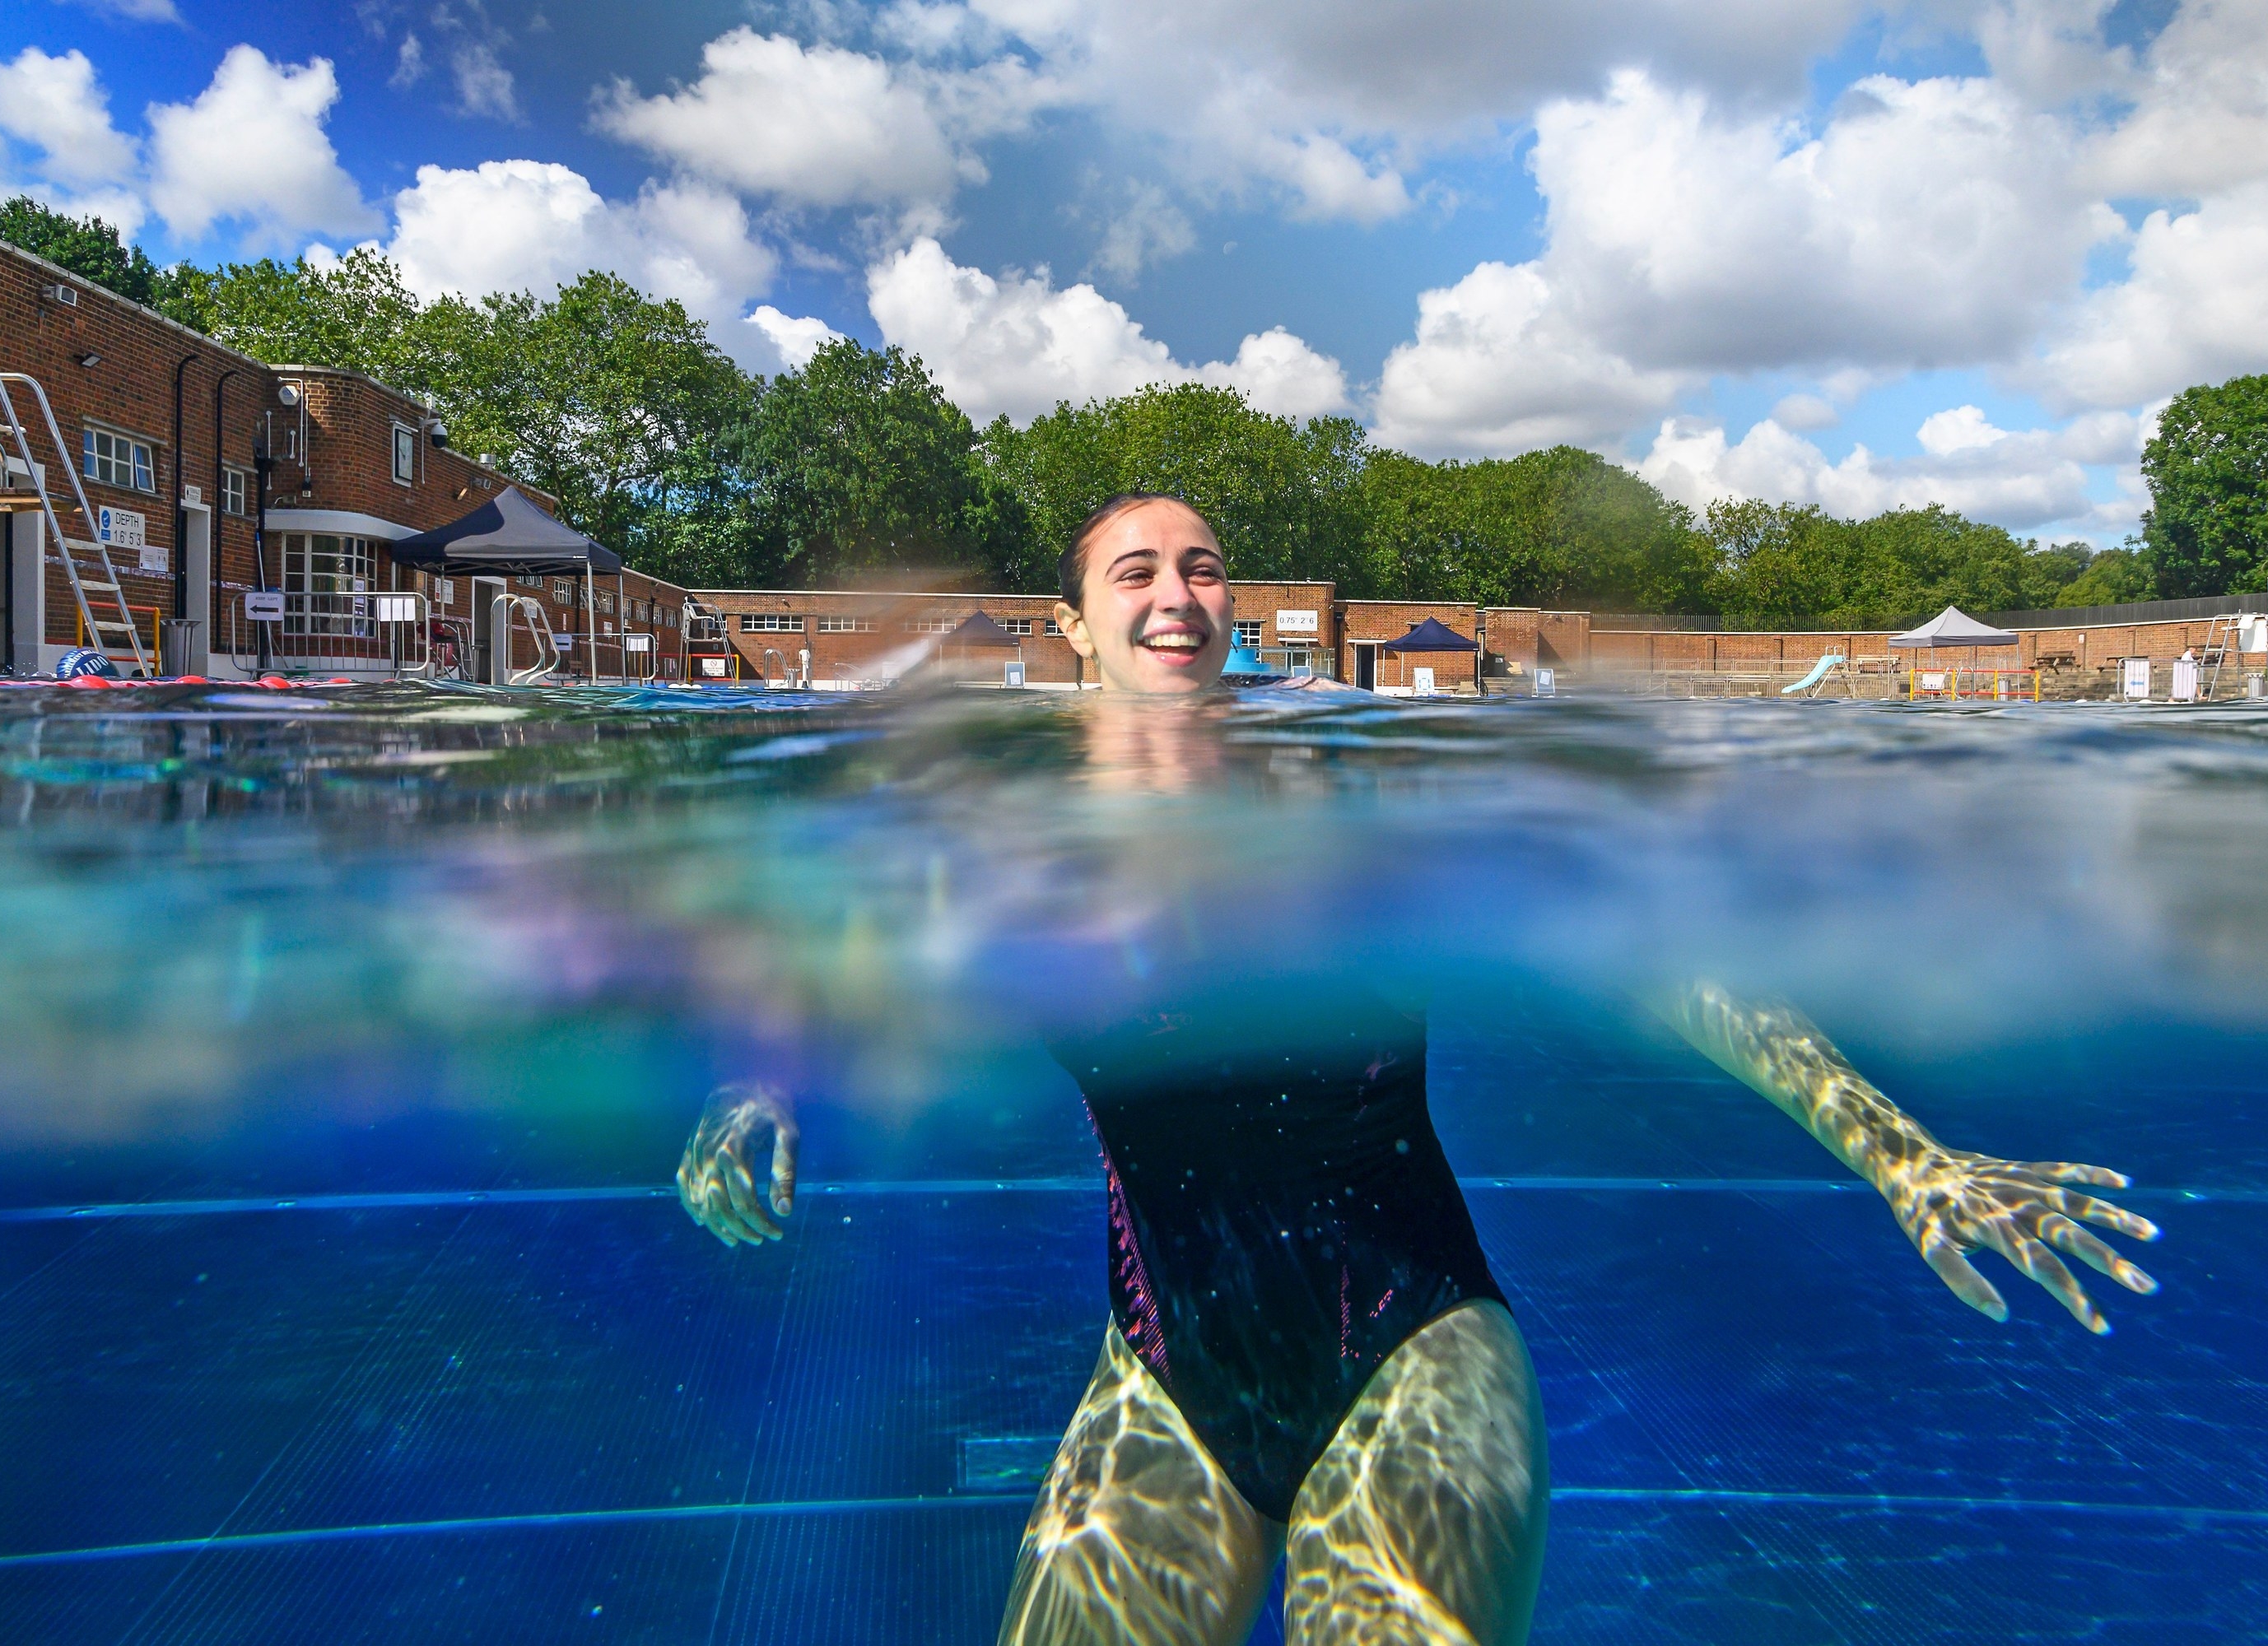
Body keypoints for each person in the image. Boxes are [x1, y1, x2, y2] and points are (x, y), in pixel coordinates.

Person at [676, 494, 2163, 1645]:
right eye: (1134, 572)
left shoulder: (1350, 784)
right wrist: (763, 1082)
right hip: (1162, 1372)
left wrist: (1911, 1159)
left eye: (1202, 568)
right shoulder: (1008, 837)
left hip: (1412, 1343)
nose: (1176, 593)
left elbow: (1658, 959)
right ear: (1073, 626)